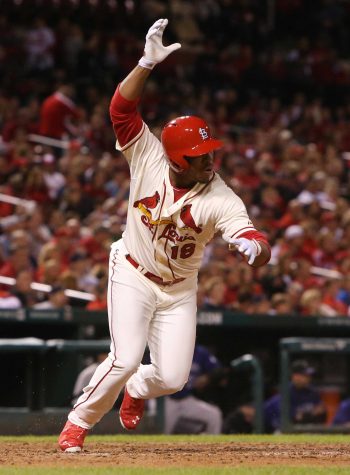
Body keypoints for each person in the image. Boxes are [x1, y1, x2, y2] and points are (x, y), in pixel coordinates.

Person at [58, 18, 271, 452]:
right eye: (198, 157)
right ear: (175, 160)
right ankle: (77, 425)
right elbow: (121, 111)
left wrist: (256, 247)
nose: (209, 162)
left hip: (178, 288)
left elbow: (252, 235)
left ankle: (138, 390)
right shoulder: (150, 155)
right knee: (123, 358)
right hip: (133, 271)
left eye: (210, 153)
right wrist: (144, 65)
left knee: (173, 378)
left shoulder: (220, 196)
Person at [164, 344, 224, 435]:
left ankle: (213, 447)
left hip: (186, 400)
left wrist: (208, 377)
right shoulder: (169, 350)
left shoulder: (199, 352)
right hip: (166, 400)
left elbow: (218, 370)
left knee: (214, 414)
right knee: (161, 432)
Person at [264, 359, 327, 433]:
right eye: (305, 375)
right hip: (282, 431)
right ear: (296, 376)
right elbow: (294, 418)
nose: (309, 378)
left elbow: (321, 412)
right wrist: (311, 414)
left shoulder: (312, 392)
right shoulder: (286, 393)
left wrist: (305, 415)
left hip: (305, 430)